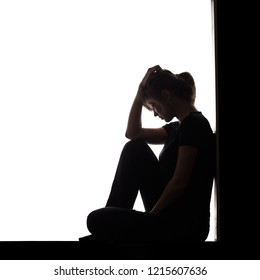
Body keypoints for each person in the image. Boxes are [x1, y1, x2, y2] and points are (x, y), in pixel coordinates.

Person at [81, 65, 216, 243]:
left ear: (166, 96)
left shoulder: (195, 125)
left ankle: (105, 237)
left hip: (184, 225)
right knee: (134, 148)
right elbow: (132, 134)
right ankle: (105, 237)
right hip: (167, 215)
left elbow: (179, 183)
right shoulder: (177, 128)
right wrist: (140, 92)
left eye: (154, 106)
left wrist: (151, 216)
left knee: (96, 220)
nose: (154, 113)